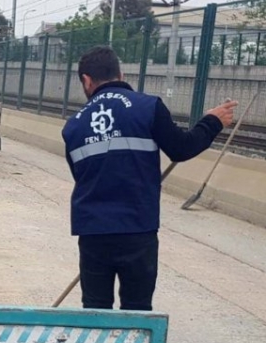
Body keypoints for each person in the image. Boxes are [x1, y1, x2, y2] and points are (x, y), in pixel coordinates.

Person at [61, 46, 238, 311]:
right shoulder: (148, 107)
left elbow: (82, 176)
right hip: (137, 228)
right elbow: (182, 148)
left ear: (86, 80)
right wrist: (211, 122)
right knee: (137, 309)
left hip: (93, 231)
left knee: (95, 310)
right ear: (120, 74)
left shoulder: (73, 125)